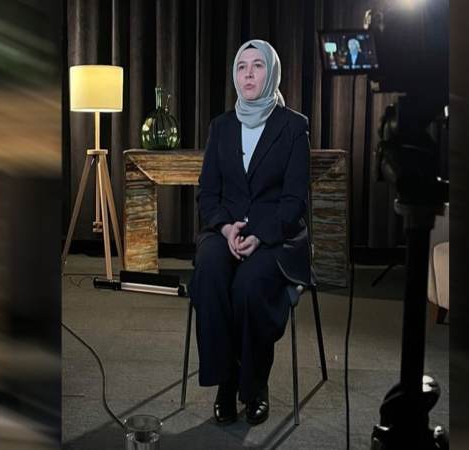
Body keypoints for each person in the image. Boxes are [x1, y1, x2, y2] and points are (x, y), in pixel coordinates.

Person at [188, 39, 312, 426]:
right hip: (225, 229)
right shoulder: (221, 126)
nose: (248, 74)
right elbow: (208, 194)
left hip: (275, 234)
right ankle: (226, 381)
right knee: (210, 270)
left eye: (258, 66)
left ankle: (255, 384)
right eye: (242, 67)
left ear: (271, 73)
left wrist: (259, 235)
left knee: (248, 286)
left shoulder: (294, 126)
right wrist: (227, 229)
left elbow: (294, 200)